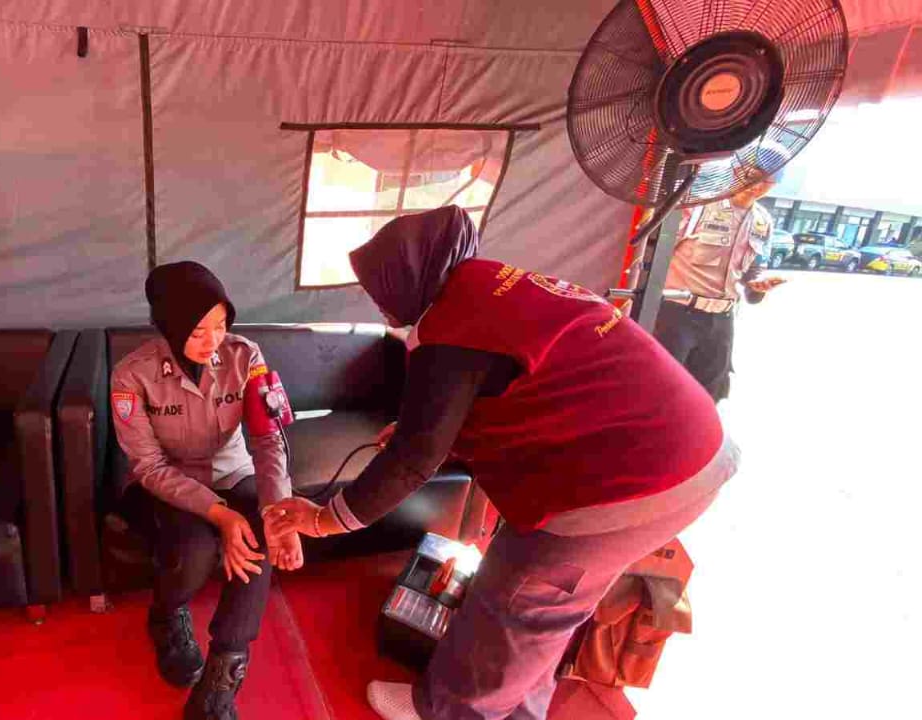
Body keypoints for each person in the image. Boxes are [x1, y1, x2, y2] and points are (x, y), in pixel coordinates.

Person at [264, 206, 736, 720]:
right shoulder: (491, 285)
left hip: (636, 479)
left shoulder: (451, 326)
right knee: (554, 608)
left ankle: (449, 711)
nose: (377, 303)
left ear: (407, 276)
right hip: (690, 449)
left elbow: (413, 460)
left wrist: (324, 519)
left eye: (380, 288)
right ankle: (523, 707)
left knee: (518, 593)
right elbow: (507, 386)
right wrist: (425, 429)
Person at [111, 261, 303, 720]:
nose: (213, 340)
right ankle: (166, 614)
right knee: (195, 548)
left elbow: (267, 439)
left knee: (260, 537)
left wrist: (279, 514)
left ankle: (222, 677)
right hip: (166, 483)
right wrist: (222, 515)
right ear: (170, 326)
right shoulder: (132, 375)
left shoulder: (245, 356)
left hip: (232, 471)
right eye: (198, 331)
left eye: (220, 325)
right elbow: (150, 466)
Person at [653, 155, 789, 402]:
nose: (757, 185)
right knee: (660, 388)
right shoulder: (697, 207)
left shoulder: (762, 222)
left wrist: (759, 285)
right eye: (753, 175)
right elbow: (655, 257)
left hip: (722, 320)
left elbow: (753, 271)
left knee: (708, 395)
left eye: (767, 182)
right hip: (676, 315)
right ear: (736, 170)